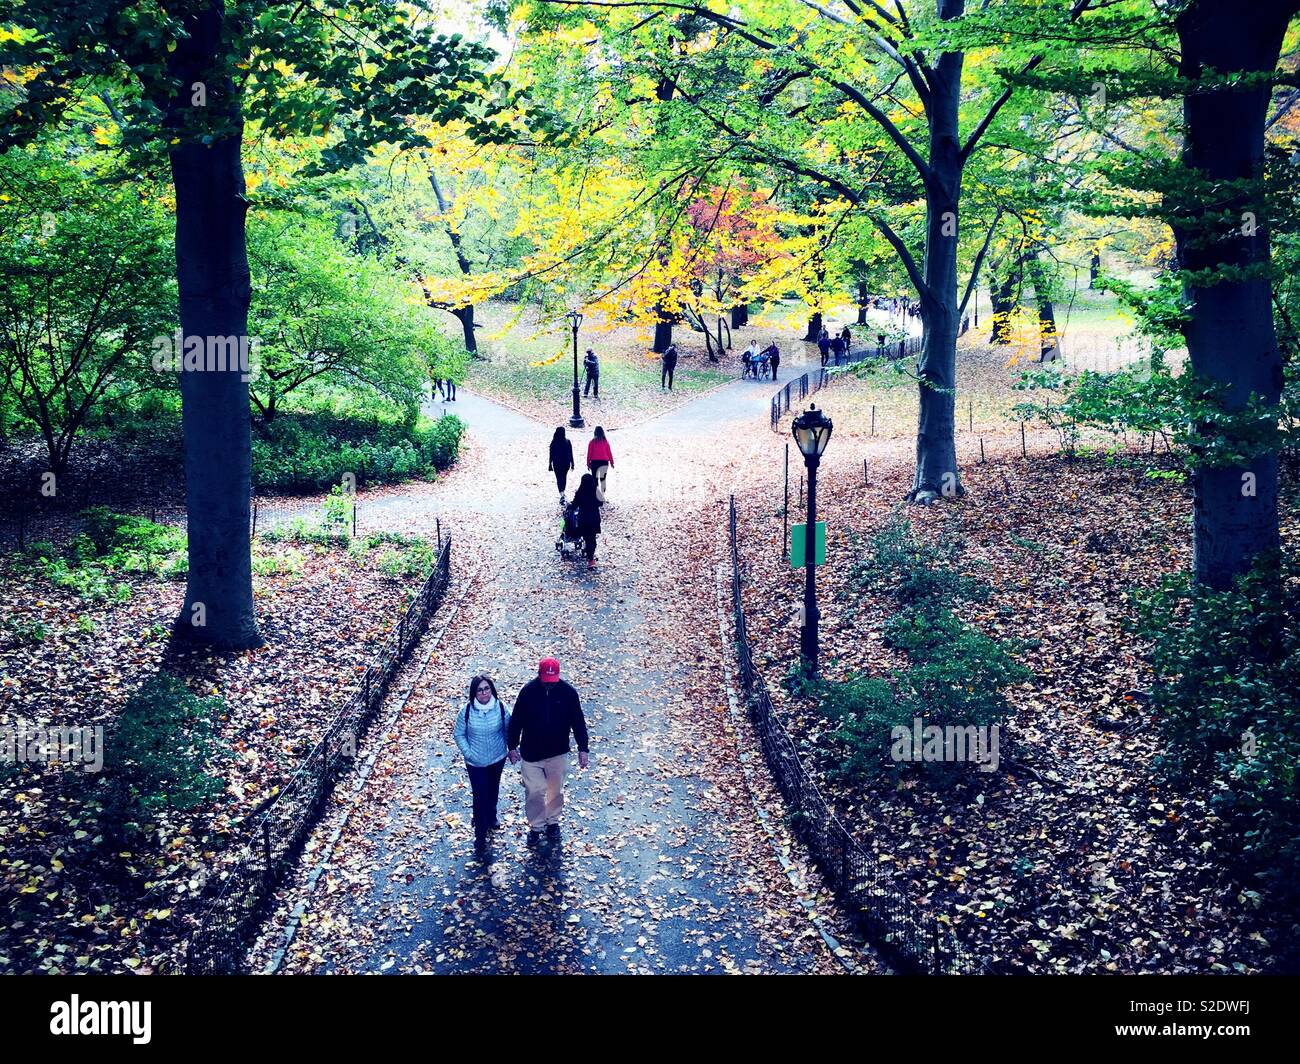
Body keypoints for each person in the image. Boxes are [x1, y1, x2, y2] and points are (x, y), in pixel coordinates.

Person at [508, 657, 589, 846]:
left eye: (553, 680)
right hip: (531, 753)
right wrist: (512, 746)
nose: (549, 684)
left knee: (554, 790)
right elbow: (516, 721)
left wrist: (583, 748)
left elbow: (578, 722)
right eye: (546, 680)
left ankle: (552, 822)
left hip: (557, 751)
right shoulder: (527, 693)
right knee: (534, 791)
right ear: (539, 675)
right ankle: (536, 826)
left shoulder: (569, 693)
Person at [453, 675, 511, 861]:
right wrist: (468, 753)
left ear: (492, 690)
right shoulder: (466, 711)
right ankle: (480, 833)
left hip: (497, 758)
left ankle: (492, 815)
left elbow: (509, 730)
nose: (484, 692)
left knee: (493, 789)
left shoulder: (501, 708)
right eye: (480, 689)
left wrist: (510, 748)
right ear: (474, 693)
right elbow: (459, 734)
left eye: (487, 688)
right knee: (479, 795)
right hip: (475, 762)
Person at [571, 472, 603, 566]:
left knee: (586, 537)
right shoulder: (596, 491)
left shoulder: (580, 492)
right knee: (592, 539)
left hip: (583, 518)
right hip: (594, 518)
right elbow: (601, 503)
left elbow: (574, 505)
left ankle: (589, 556)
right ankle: (591, 558)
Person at [548, 427, 574, 502]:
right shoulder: (567, 442)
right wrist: (572, 463)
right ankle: (563, 491)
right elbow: (570, 453)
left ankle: (561, 492)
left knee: (558, 478)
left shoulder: (554, 442)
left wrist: (549, 464)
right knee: (564, 477)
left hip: (556, 463)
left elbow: (551, 454)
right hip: (566, 462)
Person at [587, 425, 613, 495]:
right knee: (603, 479)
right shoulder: (605, 442)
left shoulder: (592, 442)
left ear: (595, 432)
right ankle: (602, 494)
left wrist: (588, 463)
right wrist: (612, 462)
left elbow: (589, 453)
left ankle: (596, 494)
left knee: (595, 479)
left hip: (594, 462)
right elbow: (609, 452)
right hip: (604, 462)